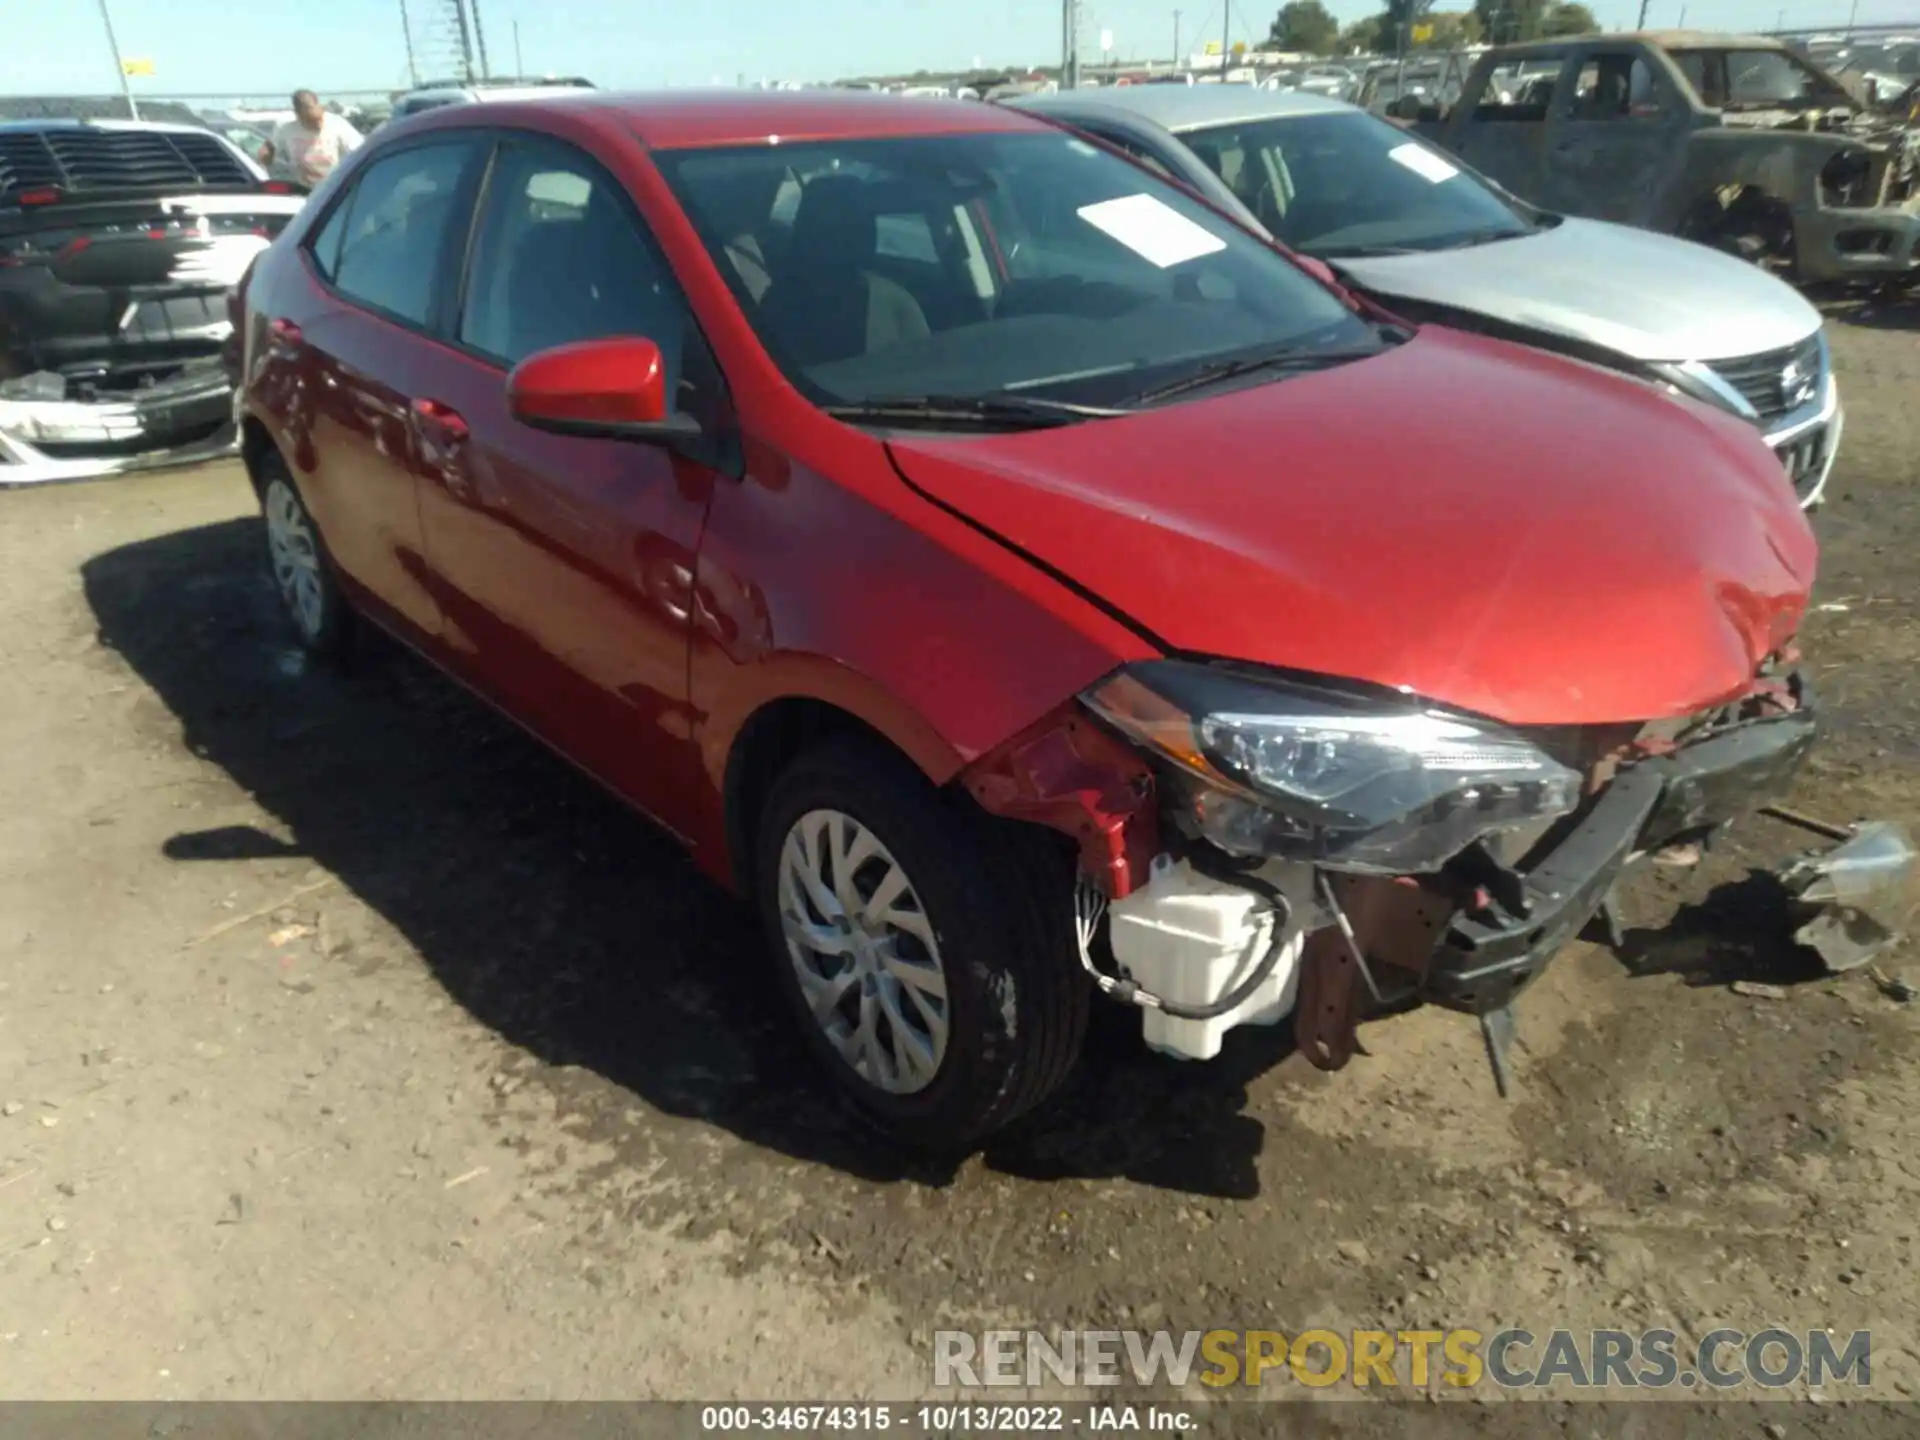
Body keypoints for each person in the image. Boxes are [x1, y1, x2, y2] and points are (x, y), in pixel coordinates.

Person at [258, 91, 363, 188]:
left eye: (319, 120)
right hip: (302, 188)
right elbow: (270, 150)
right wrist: (265, 156)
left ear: (321, 108)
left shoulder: (337, 124)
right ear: (298, 115)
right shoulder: (286, 129)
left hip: (334, 188)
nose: (317, 126)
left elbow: (360, 151)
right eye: (311, 122)